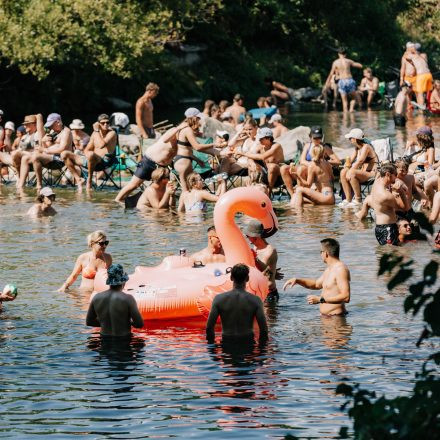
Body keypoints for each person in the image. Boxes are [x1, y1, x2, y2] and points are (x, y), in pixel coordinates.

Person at [283, 238, 351, 316]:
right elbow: (316, 284)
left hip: (337, 320)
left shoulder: (340, 269)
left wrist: (320, 299)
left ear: (325, 253)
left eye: (320, 252)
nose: (320, 254)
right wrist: (297, 280)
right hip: (327, 318)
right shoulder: (329, 269)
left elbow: (346, 296)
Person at [114, 125, 182, 203]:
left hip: (163, 166)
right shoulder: (174, 130)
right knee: (134, 184)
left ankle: (161, 206)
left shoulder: (187, 137)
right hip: (150, 161)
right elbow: (165, 140)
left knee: (165, 189)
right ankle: (117, 200)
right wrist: (179, 128)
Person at [206, 263, 268, 343]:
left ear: (231, 278)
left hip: (227, 344)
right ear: (247, 278)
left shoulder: (219, 299)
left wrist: (212, 349)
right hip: (247, 344)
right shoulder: (255, 300)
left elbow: (209, 327)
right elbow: (263, 329)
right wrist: (261, 351)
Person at [280, 126, 340, 198]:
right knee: (283, 168)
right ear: (310, 137)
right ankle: (292, 195)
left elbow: (338, 161)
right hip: (308, 168)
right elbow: (302, 160)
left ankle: (301, 194)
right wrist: (312, 164)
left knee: (301, 169)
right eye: (315, 138)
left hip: (315, 171)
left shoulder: (325, 147)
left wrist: (323, 162)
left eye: (319, 138)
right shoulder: (307, 145)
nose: (317, 140)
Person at [86, 264, 144, 337]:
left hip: (104, 341)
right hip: (123, 340)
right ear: (123, 281)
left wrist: (105, 323)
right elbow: (139, 324)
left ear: (109, 281)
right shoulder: (128, 299)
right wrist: (126, 322)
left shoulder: (97, 297)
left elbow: (89, 322)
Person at [62, 113, 117, 191]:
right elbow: (87, 149)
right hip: (91, 159)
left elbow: (101, 145)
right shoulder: (95, 133)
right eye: (103, 123)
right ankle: (78, 179)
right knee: (65, 154)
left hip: (104, 161)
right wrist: (86, 155)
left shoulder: (112, 133)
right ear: (98, 124)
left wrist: (97, 130)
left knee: (91, 154)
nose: (106, 124)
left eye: (107, 122)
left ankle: (89, 180)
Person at [173, 107, 219, 191]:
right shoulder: (187, 130)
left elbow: (187, 149)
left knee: (190, 190)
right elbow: (197, 147)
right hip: (183, 162)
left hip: (183, 160)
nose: (199, 120)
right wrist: (215, 144)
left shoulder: (183, 128)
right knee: (186, 191)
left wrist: (197, 160)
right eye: (198, 118)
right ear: (194, 118)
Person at [26, 113, 72, 192]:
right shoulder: (53, 132)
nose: (50, 127)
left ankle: (39, 184)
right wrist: (44, 141)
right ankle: (20, 184)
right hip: (49, 158)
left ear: (58, 122)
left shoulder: (66, 132)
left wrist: (44, 150)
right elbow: (47, 147)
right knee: (24, 157)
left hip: (60, 160)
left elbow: (62, 149)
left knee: (36, 157)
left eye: (52, 125)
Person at [369, 163, 409, 245]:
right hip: (388, 228)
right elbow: (405, 208)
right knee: (392, 253)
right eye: (395, 174)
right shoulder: (386, 195)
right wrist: (401, 192)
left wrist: (397, 182)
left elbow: (385, 177)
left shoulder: (377, 181)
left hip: (379, 227)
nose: (397, 177)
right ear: (388, 174)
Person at [236, 127, 284, 192]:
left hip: (279, 175)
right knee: (251, 162)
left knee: (272, 166)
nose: (259, 140)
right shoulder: (260, 146)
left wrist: (242, 153)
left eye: (261, 138)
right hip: (266, 174)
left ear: (269, 138)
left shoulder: (276, 146)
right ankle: (252, 187)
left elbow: (263, 157)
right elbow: (250, 155)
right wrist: (252, 163)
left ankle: (269, 191)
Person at [339, 128, 378, 207]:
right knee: (343, 172)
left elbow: (360, 161)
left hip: (372, 173)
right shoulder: (357, 148)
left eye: (350, 138)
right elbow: (350, 161)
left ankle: (358, 199)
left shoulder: (366, 147)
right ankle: (348, 199)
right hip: (363, 173)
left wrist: (350, 170)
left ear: (355, 139)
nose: (349, 140)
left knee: (351, 172)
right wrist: (346, 166)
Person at [245, 220, 280, 302]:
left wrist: (254, 257)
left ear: (255, 237)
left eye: (247, 235)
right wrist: (274, 272)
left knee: (268, 315)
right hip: (257, 291)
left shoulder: (270, 250)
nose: (247, 237)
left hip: (269, 293)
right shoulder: (255, 248)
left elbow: (263, 271)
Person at [325, 48, 362, 112]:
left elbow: (331, 74)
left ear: (338, 54)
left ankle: (345, 116)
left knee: (344, 102)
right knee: (354, 98)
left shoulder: (335, 62)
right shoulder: (348, 61)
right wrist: (360, 65)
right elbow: (360, 66)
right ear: (345, 54)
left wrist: (327, 83)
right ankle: (351, 109)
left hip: (341, 81)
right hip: (349, 80)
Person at [406, 43, 433, 108]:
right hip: (429, 75)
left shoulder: (412, 55)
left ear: (414, 49)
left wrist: (410, 51)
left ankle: (422, 109)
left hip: (421, 76)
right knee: (429, 92)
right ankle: (431, 106)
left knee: (420, 93)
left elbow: (406, 57)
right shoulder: (424, 55)